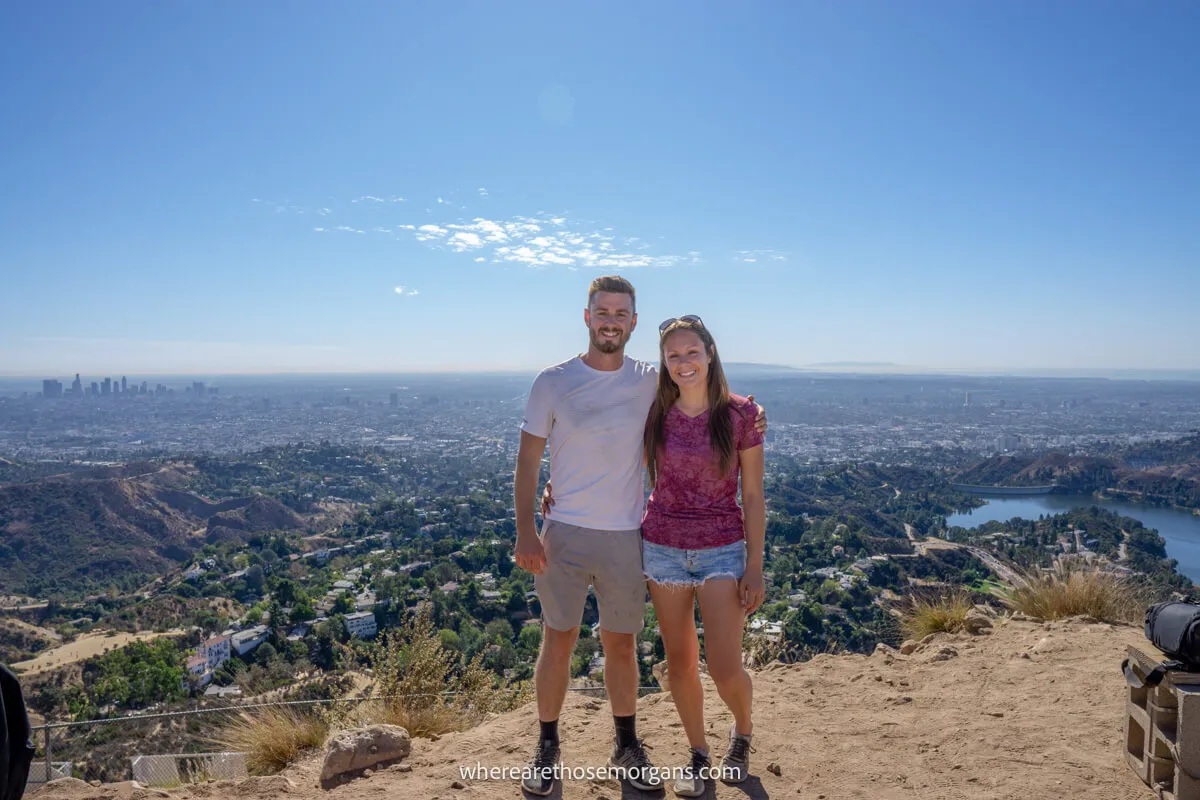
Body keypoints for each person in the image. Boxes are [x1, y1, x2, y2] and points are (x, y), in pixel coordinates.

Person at [514, 277, 765, 796]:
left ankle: (663, 742)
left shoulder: (675, 389)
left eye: (620, 313)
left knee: (640, 648)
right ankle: (554, 747)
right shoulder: (574, 384)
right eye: (601, 311)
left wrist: (750, 413)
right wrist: (531, 521)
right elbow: (540, 456)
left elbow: (744, 473)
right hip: (604, 538)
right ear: (587, 317)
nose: (610, 320)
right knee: (568, 641)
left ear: (632, 320)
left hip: (657, 537)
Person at [640, 315, 765, 796]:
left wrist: (754, 565)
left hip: (722, 550)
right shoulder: (653, 412)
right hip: (663, 549)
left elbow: (752, 496)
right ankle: (698, 754)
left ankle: (742, 732)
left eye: (692, 352)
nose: (683, 362)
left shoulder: (741, 416)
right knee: (679, 663)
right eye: (674, 355)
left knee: (724, 666)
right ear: (664, 363)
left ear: (710, 353)